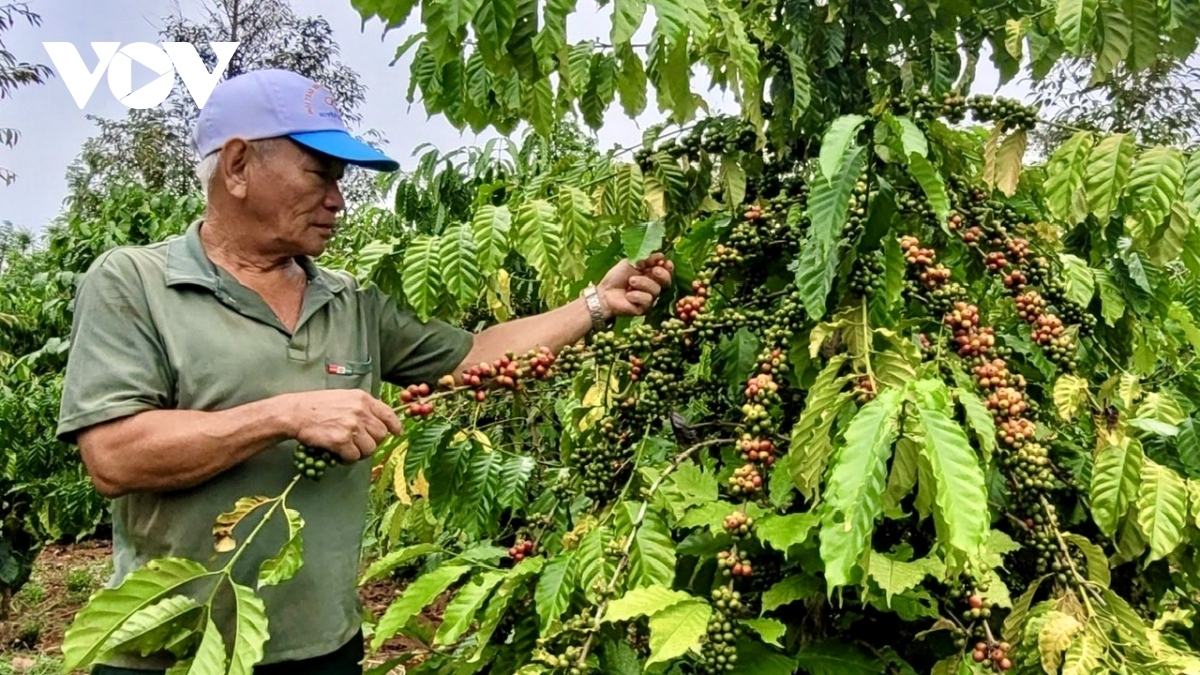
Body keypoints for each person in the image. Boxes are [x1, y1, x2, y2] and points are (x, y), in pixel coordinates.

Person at [55, 68, 674, 674]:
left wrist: (596, 305)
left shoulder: (350, 299)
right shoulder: (134, 282)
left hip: (327, 648)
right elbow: (114, 454)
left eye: (341, 180)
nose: (338, 201)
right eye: (320, 175)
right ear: (239, 166)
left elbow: (474, 356)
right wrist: (286, 414)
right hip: (172, 651)